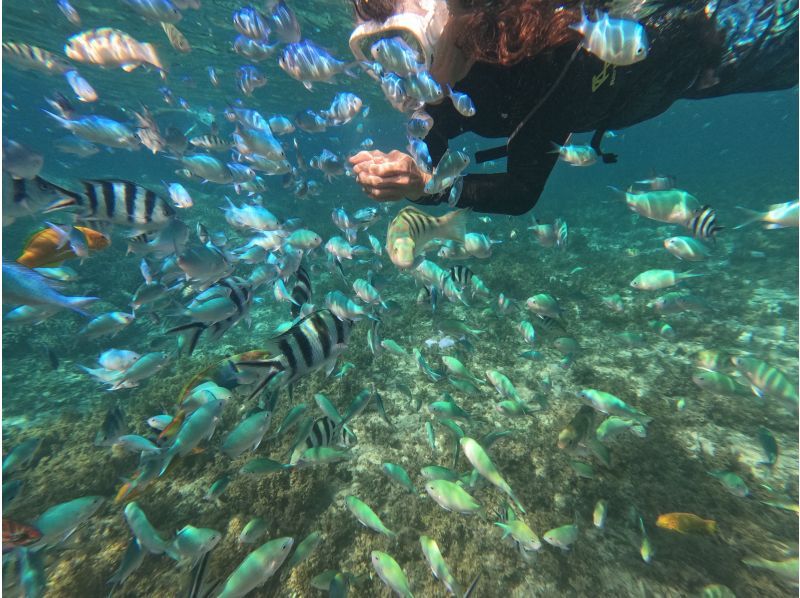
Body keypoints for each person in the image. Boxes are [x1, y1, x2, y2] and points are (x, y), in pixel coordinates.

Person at [347, 0, 798, 215]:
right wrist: (409, 173)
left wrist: (429, 186)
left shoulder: (539, 55)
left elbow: (522, 189)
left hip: (721, 44)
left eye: (404, 45)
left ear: (454, 19)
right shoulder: (440, 89)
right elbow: (428, 160)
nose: (401, 69)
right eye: (378, 52)